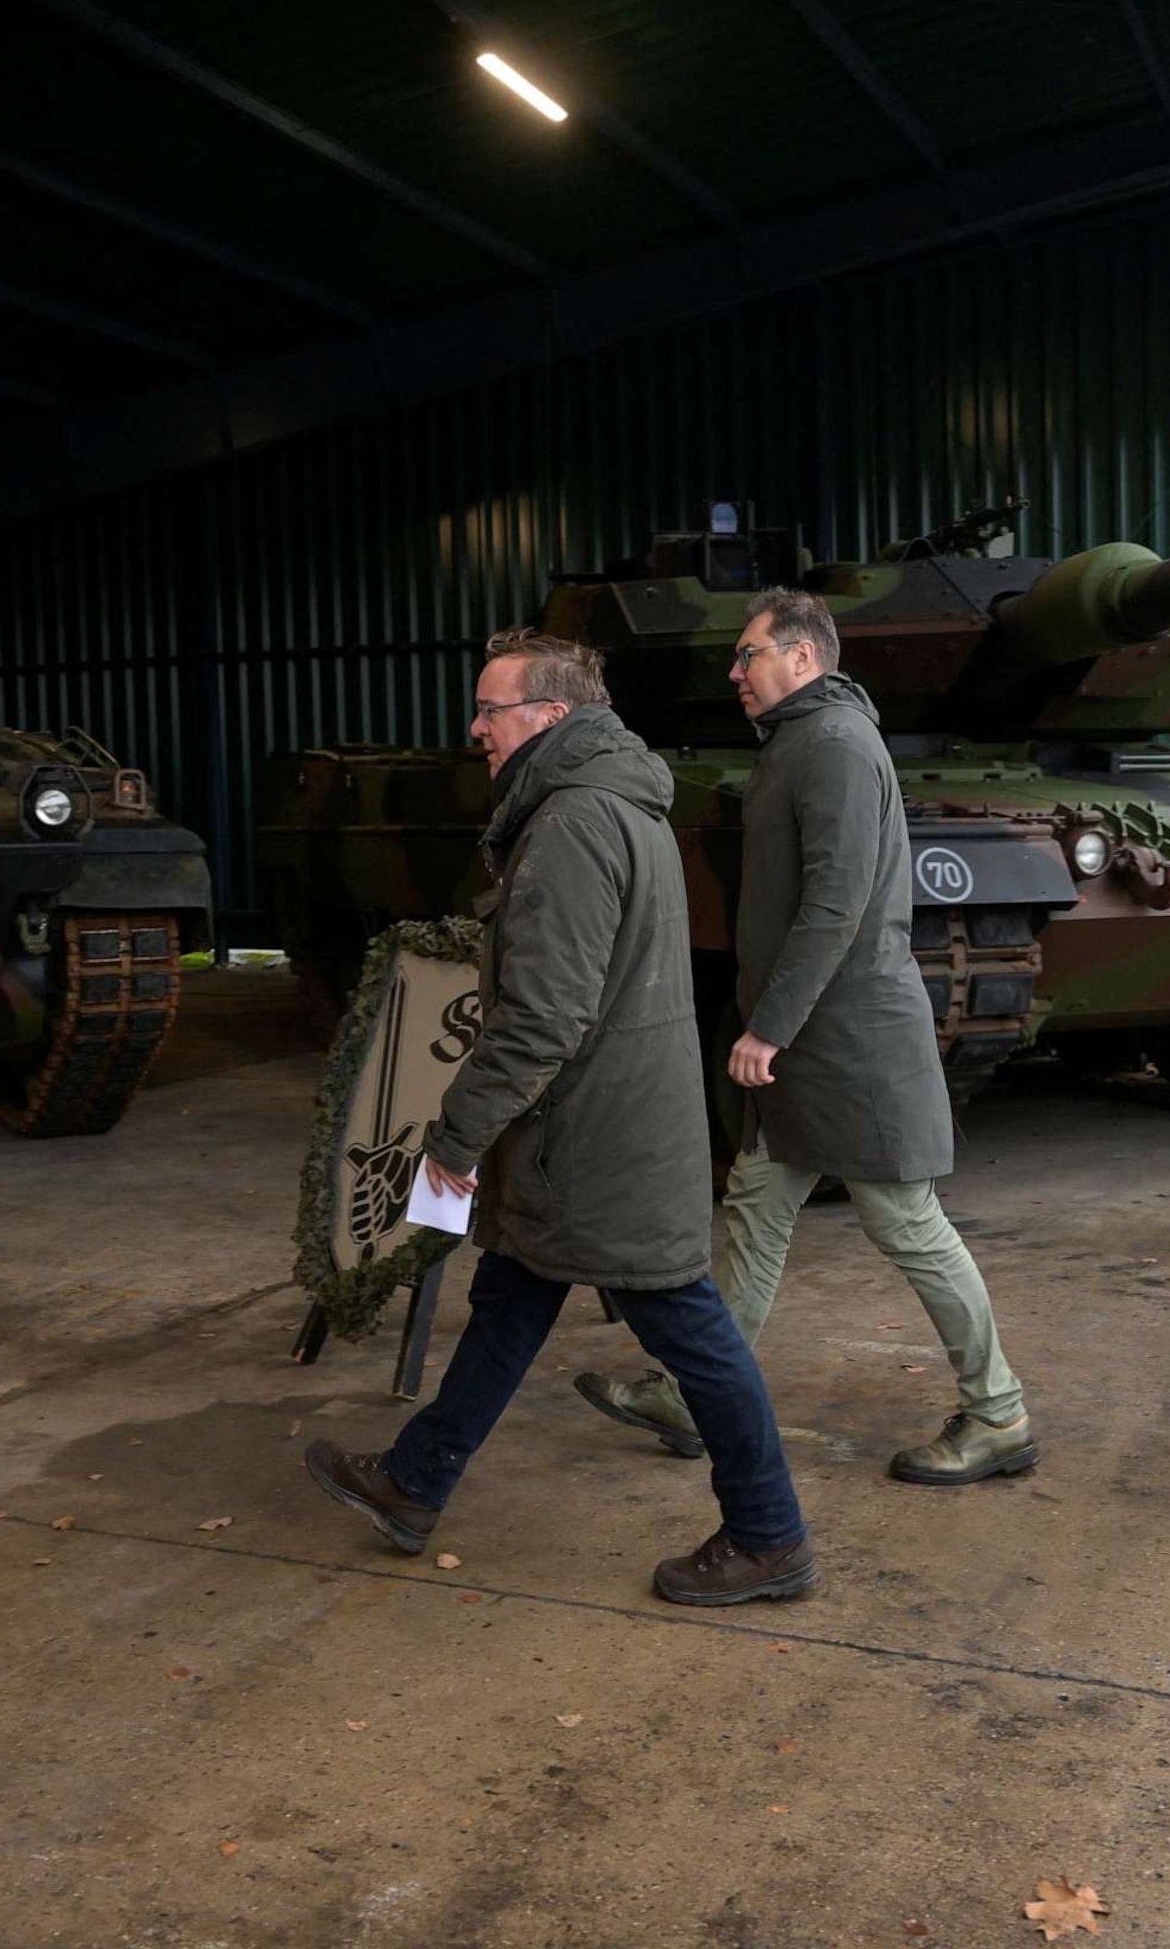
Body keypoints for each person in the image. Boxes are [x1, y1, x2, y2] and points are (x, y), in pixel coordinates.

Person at [303, 629, 818, 1607]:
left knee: (691, 1329)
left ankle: (770, 1532)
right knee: (511, 1294)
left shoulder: (574, 823)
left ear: (549, 716)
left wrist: (454, 1140)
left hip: (596, 1142)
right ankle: (415, 1481)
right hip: (601, 1130)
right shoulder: (615, 803)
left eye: (491, 710)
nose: (476, 729)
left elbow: (545, 1015)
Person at [574, 589, 1038, 1486]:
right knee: (756, 1204)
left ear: (803, 658)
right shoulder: (803, 740)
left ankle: (998, 1413)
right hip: (816, 1038)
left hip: (849, 1039)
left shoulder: (830, 744)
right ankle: (693, 1393)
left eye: (749, 654)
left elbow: (836, 902)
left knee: (906, 1222)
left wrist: (766, 1030)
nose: (735, 671)